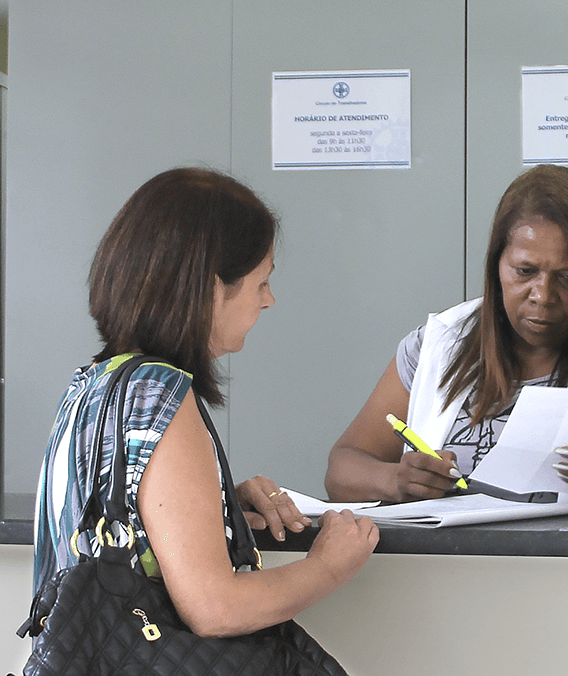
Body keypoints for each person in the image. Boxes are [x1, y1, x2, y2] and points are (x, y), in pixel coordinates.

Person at [33, 167, 379, 638]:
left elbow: (126, 528)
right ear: (212, 288)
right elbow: (215, 608)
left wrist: (215, 506)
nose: (269, 300)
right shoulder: (162, 395)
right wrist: (329, 565)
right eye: (261, 282)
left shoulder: (96, 385)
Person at [326, 164, 568, 506]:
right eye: (524, 272)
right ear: (497, 265)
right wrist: (396, 480)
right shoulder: (437, 345)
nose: (542, 296)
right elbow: (343, 467)